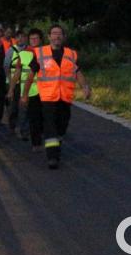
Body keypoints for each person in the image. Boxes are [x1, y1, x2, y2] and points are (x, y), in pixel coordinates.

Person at [22, 24, 91, 169]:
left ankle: (56, 144)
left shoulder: (71, 54)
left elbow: (77, 72)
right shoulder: (40, 52)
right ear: (49, 37)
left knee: (62, 125)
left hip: (65, 97)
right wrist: (25, 94)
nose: (57, 36)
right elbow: (30, 75)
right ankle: (52, 157)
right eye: (54, 33)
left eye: (59, 33)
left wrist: (85, 86)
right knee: (50, 126)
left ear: (64, 37)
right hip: (48, 98)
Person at [4, 30, 28, 135]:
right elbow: (6, 66)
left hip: (26, 82)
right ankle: (12, 126)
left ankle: (23, 128)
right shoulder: (11, 50)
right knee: (13, 106)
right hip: (13, 82)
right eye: (18, 37)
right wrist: (10, 81)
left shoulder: (29, 50)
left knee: (24, 107)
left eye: (23, 37)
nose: (20, 39)